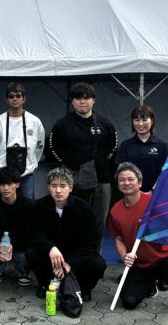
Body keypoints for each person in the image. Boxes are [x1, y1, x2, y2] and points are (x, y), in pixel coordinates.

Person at [109, 162, 168, 317]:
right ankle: (150, 285)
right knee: (129, 302)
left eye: (131, 179)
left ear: (140, 183)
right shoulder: (115, 210)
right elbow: (118, 238)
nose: (126, 183)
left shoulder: (154, 204)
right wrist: (124, 256)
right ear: (118, 184)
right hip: (139, 263)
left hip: (162, 259)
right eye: (122, 180)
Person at [48, 81, 117, 252]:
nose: (82, 101)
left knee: (98, 223)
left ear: (93, 100)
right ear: (72, 101)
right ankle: (72, 259)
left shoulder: (105, 124)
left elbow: (113, 148)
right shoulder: (62, 124)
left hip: (101, 182)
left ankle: (94, 258)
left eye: (87, 98)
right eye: (78, 98)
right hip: (72, 182)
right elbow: (53, 148)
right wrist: (70, 167)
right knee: (72, 222)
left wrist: (100, 165)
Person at [26, 167, 106, 301]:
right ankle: (45, 284)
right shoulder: (39, 206)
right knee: (31, 253)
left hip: (75, 255)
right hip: (52, 255)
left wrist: (70, 264)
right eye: (54, 186)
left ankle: (83, 289)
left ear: (70, 188)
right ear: (48, 187)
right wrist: (50, 247)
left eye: (63, 186)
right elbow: (34, 233)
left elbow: (91, 242)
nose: (58, 190)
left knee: (98, 263)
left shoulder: (84, 208)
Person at [0, 82, 45, 199]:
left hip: (26, 175)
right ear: (6, 100)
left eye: (18, 96)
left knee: (27, 207)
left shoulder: (35, 122)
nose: (15, 99)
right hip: (3, 175)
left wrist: (32, 163)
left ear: (24, 99)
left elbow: (40, 147)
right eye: (11, 96)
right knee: (0, 208)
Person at [0, 166, 33, 286]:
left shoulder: (28, 205)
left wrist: (13, 244)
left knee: (31, 249)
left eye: (10, 183)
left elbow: (29, 233)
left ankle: (24, 272)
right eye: (2, 184)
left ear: (17, 184)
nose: (6, 188)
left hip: (19, 245)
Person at [116, 105, 168, 193]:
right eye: (137, 120)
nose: (140, 124)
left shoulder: (163, 146)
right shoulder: (125, 146)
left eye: (144, 120)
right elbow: (121, 172)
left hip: (157, 195)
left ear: (152, 121)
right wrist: (136, 192)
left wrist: (152, 191)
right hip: (131, 194)